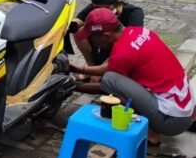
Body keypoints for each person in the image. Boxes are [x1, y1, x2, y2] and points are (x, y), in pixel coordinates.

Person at [70, 8, 196, 144]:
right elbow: (113, 65)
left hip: (172, 122)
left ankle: (152, 134)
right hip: (186, 109)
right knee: (120, 82)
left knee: (110, 79)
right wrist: (81, 71)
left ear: (106, 35)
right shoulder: (139, 32)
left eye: (92, 38)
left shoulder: (123, 54)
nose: (93, 42)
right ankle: (152, 128)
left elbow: (105, 85)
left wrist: (72, 85)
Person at [71, 0, 144, 67]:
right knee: (78, 30)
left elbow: (132, 41)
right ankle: (91, 66)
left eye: (103, 8)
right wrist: (64, 26)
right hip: (104, 43)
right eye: (95, 7)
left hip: (122, 47)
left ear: (116, 4)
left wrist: (103, 67)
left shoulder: (134, 13)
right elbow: (76, 21)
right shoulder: (97, 7)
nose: (98, 10)